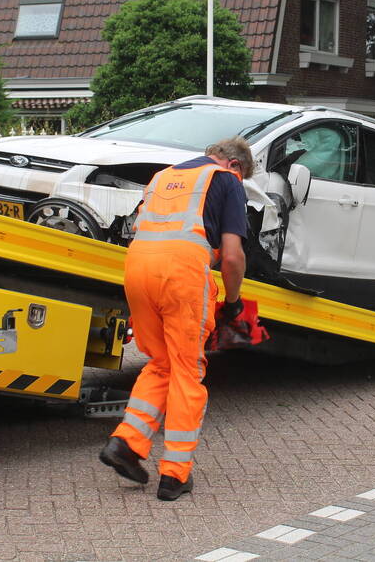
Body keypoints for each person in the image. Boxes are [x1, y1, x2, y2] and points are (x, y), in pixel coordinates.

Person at [99, 137, 253, 501]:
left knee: (161, 363)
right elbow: (232, 257)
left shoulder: (162, 177)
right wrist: (233, 302)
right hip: (180, 272)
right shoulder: (226, 180)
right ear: (235, 166)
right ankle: (175, 474)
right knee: (187, 370)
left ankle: (126, 444)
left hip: (137, 268)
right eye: (243, 178)